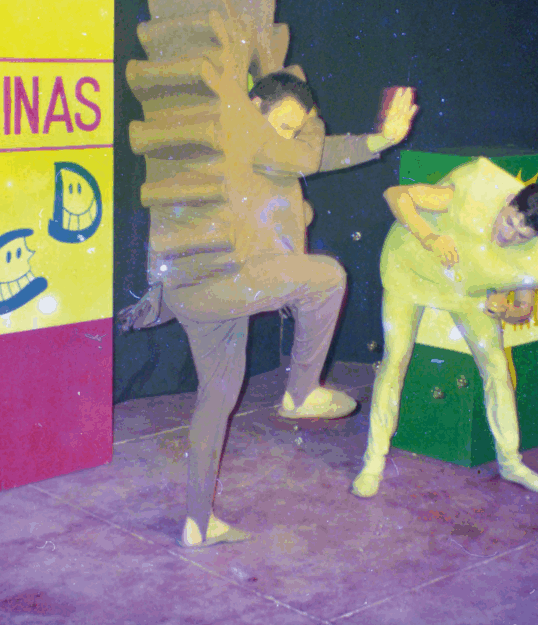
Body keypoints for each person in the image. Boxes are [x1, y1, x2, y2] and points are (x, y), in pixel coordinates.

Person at [122, 73, 417, 547]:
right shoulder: (248, 131)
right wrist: (319, 123)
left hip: (198, 290)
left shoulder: (249, 148)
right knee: (328, 276)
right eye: (283, 124)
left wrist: (376, 138)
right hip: (226, 283)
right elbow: (307, 154)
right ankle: (300, 392)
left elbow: (311, 157)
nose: (288, 136)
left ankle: (198, 522)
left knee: (216, 400)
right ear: (254, 104)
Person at [351, 156, 538, 499]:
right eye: (510, 220)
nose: (508, 233)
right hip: (411, 272)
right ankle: (373, 462)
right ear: (508, 203)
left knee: (497, 367)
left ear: (535, 237)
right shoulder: (473, 192)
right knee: (396, 359)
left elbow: (524, 309)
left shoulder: (535, 252)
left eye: (520, 234)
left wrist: (507, 309)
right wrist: (429, 236)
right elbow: (396, 194)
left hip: (465, 290)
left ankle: (511, 461)